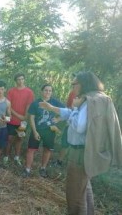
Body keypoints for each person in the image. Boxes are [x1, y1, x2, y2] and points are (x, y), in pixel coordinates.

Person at [39, 72, 122, 214]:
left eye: (74, 84)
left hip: (80, 153)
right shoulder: (98, 97)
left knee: (75, 195)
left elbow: (79, 126)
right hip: (88, 151)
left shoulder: (89, 101)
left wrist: (76, 108)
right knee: (84, 188)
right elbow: (74, 114)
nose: (72, 88)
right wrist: (53, 108)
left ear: (84, 83)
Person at [23, 84, 64, 178]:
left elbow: (66, 111)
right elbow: (31, 118)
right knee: (31, 150)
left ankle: (43, 169)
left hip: (50, 131)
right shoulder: (36, 103)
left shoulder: (55, 102)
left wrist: (58, 119)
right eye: (46, 90)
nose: (48, 92)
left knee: (47, 150)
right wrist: (34, 131)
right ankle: (27, 169)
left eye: (50, 90)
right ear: (42, 91)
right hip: (37, 130)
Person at [4, 73, 34, 166]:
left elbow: (29, 107)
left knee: (20, 138)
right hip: (12, 120)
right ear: (15, 81)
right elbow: (8, 106)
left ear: (24, 80)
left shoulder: (29, 92)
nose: (20, 81)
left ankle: (17, 157)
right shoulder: (11, 91)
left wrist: (24, 117)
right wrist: (18, 115)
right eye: (18, 79)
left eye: (22, 79)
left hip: (23, 122)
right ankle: (6, 156)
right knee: (9, 138)